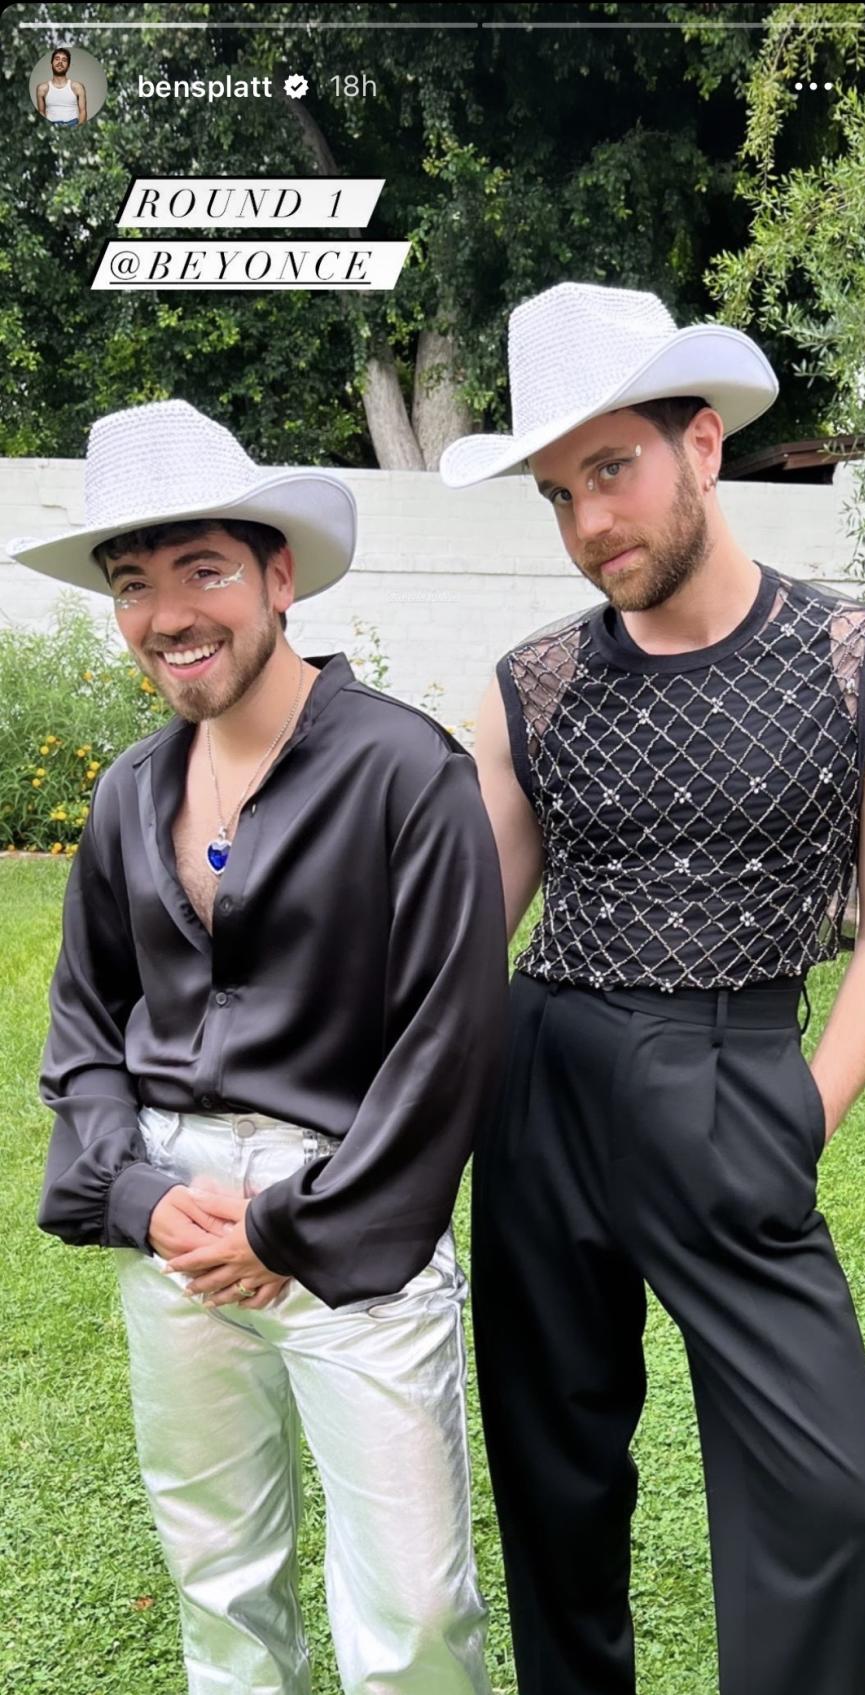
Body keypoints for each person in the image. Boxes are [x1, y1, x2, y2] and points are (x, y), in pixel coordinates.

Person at [440, 281, 865, 1695]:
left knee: (835, 1488)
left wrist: (802, 1112)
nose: (590, 522)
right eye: (557, 491)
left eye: (613, 468)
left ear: (704, 444)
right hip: (543, 1084)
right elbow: (468, 932)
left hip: (733, 1076)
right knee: (558, 1479)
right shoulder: (534, 684)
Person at [11, 399, 507, 1695]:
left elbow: (448, 1036)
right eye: (135, 584)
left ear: (279, 574)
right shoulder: (127, 796)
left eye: (204, 569)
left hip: (355, 1218)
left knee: (412, 1610)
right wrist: (135, 1190)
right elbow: (84, 1031)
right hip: (171, 1217)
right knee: (219, 1576)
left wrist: (290, 1226)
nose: (169, 613)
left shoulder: (408, 771)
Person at [36, 46, 87, 126]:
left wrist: (77, 128)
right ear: (51, 64)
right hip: (51, 125)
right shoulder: (42, 88)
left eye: (64, 60)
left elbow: (83, 111)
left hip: (72, 124)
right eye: (57, 59)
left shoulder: (77, 87)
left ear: (68, 66)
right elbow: (41, 112)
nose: (60, 62)